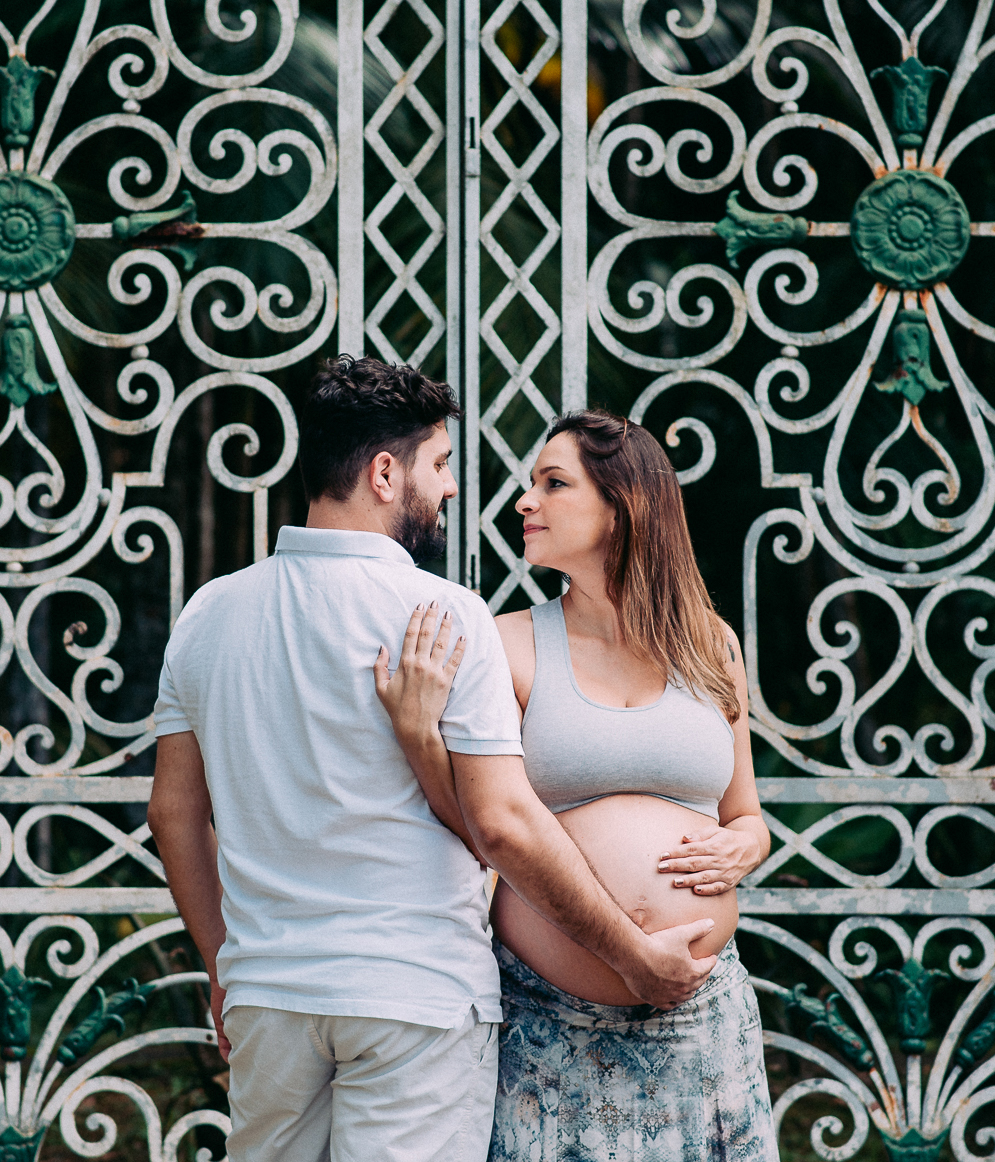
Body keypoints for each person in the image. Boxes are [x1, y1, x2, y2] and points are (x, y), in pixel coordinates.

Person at [146, 359, 719, 1162]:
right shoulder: (444, 614)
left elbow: (172, 813)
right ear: (385, 473)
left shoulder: (209, 613)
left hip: (269, 994)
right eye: (440, 464)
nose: (450, 487)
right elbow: (504, 823)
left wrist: (222, 963)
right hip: (413, 996)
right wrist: (634, 955)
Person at [378, 409, 779, 1160]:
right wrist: (419, 738)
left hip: (701, 1021)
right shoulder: (505, 643)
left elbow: (747, 814)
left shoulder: (713, 644)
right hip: (550, 1027)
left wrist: (745, 847)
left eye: (553, 483)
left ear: (623, 506)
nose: (524, 501)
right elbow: (482, 828)